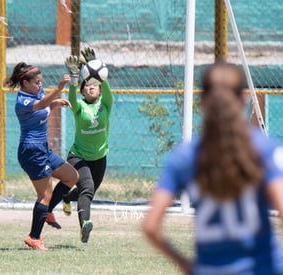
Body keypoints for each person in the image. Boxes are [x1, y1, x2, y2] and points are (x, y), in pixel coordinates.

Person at [142, 62, 283, 274]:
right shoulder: (265, 148)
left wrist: (186, 265)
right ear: (243, 100)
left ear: (202, 103)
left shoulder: (184, 156)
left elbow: (150, 226)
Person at [5, 62, 79, 251]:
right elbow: (40, 105)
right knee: (44, 196)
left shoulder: (36, 92)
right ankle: (34, 238)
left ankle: (46, 212)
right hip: (31, 150)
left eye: (41, 81)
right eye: (37, 82)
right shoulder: (23, 100)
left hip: (42, 148)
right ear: (25, 83)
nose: (40, 85)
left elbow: (44, 107)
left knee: (71, 176)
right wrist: (59, 90)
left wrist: (54, 103)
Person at [46, 48, 113, 243]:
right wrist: (75, 78)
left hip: (99, 157)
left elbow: (106, 86)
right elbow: (72, 96)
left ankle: (67, 198)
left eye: (94, 85)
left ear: (100, 88)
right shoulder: (79, 106)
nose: (91, 87)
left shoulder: (106, 104)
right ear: (83, 89)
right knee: (88, 188)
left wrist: (96, 66)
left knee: (87, 191)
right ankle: (85, 224)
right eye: (87, 85)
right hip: (78, 157)